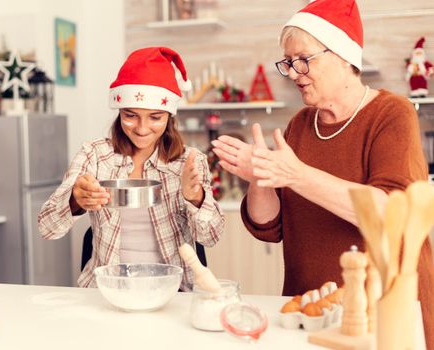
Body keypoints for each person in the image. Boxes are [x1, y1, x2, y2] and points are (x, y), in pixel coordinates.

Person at [211, 0, 433, 346]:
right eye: (287, 62)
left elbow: (392, 211)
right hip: (309, 311)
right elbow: (271, 228)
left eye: (303, 60)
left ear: (343, 56)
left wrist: (296, 174)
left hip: (381, 313)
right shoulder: (299, 125)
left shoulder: (391, 113)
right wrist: (260, 178)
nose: (294, 72)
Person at [38, 47, 224, 292]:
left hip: (173, 292)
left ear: (170, 116)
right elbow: (47, 227)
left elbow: (211, 236)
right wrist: (75, 199)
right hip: (107, 291)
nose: (142, 128)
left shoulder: (189, 160)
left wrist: (196, 198)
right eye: (131, 115)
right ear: (119, 111)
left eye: (155, 117)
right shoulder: (94, 154)